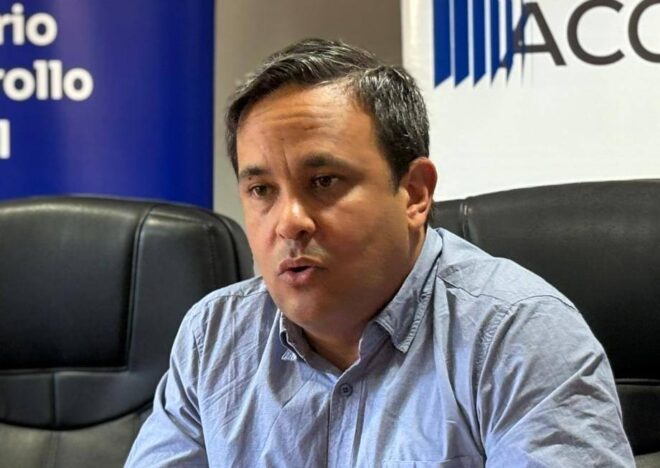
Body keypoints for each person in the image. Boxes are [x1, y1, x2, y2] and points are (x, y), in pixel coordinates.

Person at [125, 38, 634, 467]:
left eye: (324, 181)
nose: (289, 222)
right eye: (262, 190)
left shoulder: (518, 335)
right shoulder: (214, 336)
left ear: (414, 193)